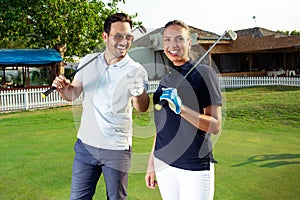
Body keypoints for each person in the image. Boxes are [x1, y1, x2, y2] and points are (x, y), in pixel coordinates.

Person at [52, 13, 150, 200]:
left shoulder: (135, 69)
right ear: (105, 36)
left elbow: (142, 107)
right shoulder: (88, 61)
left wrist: (139, 91)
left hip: (116, 149)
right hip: (85, 146)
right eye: (118, 36)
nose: (124, 41)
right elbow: (73, 94)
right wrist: (63, 89)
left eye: (128, 36)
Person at [145, 20, 222, 200]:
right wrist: (151, 164)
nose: (173, 45)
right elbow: (162, 128)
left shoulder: (204, 73)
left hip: (193, 165)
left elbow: (215, 125)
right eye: (167, 40)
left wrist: (182, 109)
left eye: (179, 39)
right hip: (163, 163)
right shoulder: (166, 79)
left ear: (189, 42)